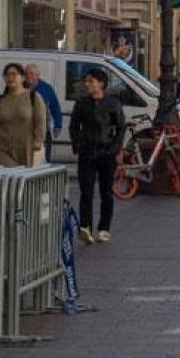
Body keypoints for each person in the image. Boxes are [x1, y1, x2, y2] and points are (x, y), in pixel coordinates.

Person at [70, 67, 126, 244]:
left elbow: (120, 127)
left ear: (101, 83)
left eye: (91, 81)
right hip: (87, 152)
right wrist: (77, 144)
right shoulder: (81, 103)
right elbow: (74, 126)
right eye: (86, 81)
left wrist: (116, 148)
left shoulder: (113, 104)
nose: (87, 85)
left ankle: (104, 228)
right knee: (86, 191)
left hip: (106, 153)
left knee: (106, 192)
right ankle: (85, 227)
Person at [0, 63, 47, 167]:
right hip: (3, 149)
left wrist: (38, 141)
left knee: (25, 181)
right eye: (7, 75)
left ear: (23, 78)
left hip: (27, 149)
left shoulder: (34, 97)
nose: (10, 78)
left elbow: (41, 122)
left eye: (14, 74)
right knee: (10, 179)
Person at [23, 64, 63, 161]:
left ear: (38, 75)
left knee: (42, 160)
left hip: (42, 132)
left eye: (32, 74)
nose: (29, 76)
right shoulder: (20, 87)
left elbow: (55, 107)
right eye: (27, 74)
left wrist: (58, 125)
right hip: (24, 132)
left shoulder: (46, 89)